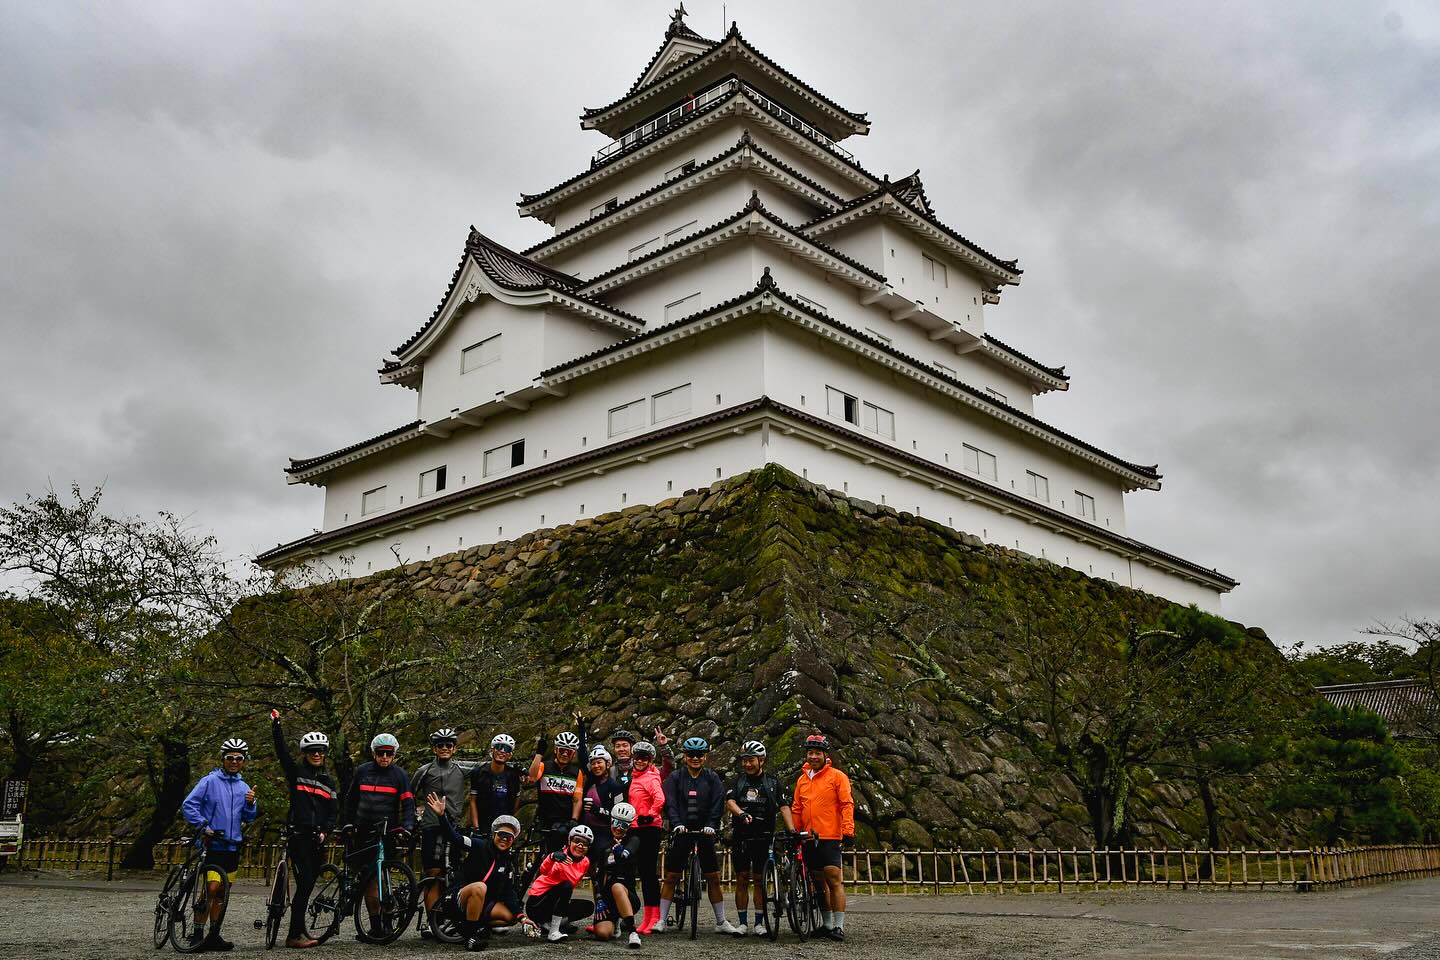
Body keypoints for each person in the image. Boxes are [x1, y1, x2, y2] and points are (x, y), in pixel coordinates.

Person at [179, 737, 258, 952]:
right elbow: (189, 805)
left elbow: (249, 817)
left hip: (232, 845)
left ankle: (214, 935)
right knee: (211, 888)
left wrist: (251, 804)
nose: (234, 762)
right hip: (211, 844)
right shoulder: (209, 781)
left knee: (223, 892)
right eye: (230, 758)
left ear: (244, 761)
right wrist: (204, 826)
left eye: (238, 758)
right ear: (223, 759)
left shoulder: (244, 787)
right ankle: (197, 934)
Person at [656, 736, 738, 935]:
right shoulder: (676, 777)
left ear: (705, 756)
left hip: (704, 832)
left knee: (713, 877)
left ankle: (721, 921)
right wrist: (676, 824)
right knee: (672, 876)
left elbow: (718, 803)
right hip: (682, 830)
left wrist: (712, 825)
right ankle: (661, 920)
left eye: (699, 754)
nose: (695, 758)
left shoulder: (712, 777)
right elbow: (670, 803)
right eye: (691, 754)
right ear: (684, 756)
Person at [270, 711, 337, 949]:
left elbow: (333, 811)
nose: (317, 754)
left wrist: (326, 831)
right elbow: (281, 752)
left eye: (320, 751)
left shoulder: (329, 782)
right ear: (305, 754)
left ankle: (296, 931)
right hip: (298, 836)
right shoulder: (296, 772)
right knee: (306, 882)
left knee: (308, 885)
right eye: (312, 751)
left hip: (317, 838)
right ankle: (294, 935)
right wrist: (276, 725)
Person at [424, 793, 522, 952]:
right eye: (501, 834)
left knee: (510, 917)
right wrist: (442, 816)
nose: (504, 839)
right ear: (494, 834)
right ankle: (470, 936)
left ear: (513, 840)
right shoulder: (479, 845)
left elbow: (508, 892)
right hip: (459, 897)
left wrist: (521, 917)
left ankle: (473, 924)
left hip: (481, 903)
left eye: (509, 837)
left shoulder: (507, 860)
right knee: (480, 887)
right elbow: (455, 838)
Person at [342, 733, 416, 938]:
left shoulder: (399, 775)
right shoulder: (362, 771)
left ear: (394, 755)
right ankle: (375, 925)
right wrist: (348, 823)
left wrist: (407, 827)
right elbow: (350, 800)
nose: (385, 757)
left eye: (389, 754)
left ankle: (386, 922)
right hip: (363, 831)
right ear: (374, 753)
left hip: (387, 831)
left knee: (383, 877)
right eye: (381, 753)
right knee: (369, 880)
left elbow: (408, 804)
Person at [725, 740, 794, 937]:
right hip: (742, 837)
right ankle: (742, 923)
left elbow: (784, 806)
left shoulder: (772, 783)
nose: (747, 764)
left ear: (761, 760)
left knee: (759, 880)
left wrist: (792, 829)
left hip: (764, 837)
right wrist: (740, 814)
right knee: (741, 879)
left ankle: (758, 923)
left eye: (751, 760)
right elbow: (730, 801)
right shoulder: (737, 781)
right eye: (744, 760)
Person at [790, 733, 854, 941]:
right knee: (817, 882)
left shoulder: (837, 776)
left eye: (818, 753)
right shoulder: (802, 779)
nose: (814, 756)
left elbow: (846, 803)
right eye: (810, 753)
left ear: (826, 755)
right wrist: (796, 831)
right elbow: (797, 808)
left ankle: (839, 925)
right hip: (808, 837)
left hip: (830, 835)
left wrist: (848, 830)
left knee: (834, 878)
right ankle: (826, 924)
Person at [412, 727, 467, 937]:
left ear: (454, 748)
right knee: (433, 874)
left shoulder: (462, 768)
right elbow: (409, 794)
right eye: (440, 745)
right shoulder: (424, 770)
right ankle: (431, 921)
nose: (444, 748)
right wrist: (415, 816)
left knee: (453, 874)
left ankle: (449, 919)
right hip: (432, 826)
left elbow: (488, 767)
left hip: (453, 826)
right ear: (434, 748)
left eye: (448, 745)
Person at [527, 716, 588, 854]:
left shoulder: (576, 772)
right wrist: (539, 754)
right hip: (546, 821)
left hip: (565, 823)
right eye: (562, 750)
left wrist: (574, 819)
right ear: (555, 750)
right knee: (546, 857)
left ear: (573, 754)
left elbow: (577, 799)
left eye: (569, 751)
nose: (565, 754)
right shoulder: (544, 766)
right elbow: (531, 778)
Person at [524, 823, 593, 942]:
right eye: (577, 841)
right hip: (537, 903)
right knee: (566, 886)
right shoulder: (560, 855)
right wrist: (551, 857)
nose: (580, 845)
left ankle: (552, 923)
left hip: (556, 898)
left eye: (585, 843)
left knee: (588, 906)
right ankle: (553, 931)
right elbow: (543, 870)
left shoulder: (585, 862)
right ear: (570, 841)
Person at [626, 741, 666, 935]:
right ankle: (647, 917)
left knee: (649, 873)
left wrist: (650, 813)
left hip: (649, 828)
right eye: (638, 757)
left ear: (650, 761)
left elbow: (660, 798)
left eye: (645, 758)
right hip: (635, 827)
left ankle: (655, 916)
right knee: (642, 872)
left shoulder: (650, 778)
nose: (640, 761)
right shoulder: (634, 776)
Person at [591, 801, 643, 948]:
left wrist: (623, 852)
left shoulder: (633, 840)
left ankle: (633, 933)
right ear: (611, 821)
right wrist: (599, 900)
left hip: (627, 894)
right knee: (603, 934)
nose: (619, 828)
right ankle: (615, 920)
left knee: (617, 886)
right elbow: (598, 877)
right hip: (608, 898)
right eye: (616, 823)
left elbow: (629, 851)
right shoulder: (604, 845)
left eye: (624, 825)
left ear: (629, 826)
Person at [469, 733, 521, 834]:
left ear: (510, 755)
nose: (502, 751)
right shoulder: (478, 773)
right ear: (492, 750)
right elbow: (473, 801)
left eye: (507, 749)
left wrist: (510, 823)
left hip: (504, 825)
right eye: (499, 747)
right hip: (483, 824)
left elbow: (516, 800)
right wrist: (476, 827)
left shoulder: (513, 775)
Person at [579, 746, 625, 841]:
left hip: (604, 833)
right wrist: (582, 731)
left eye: (599, 762)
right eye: (593, 763)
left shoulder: (614, 786)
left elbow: (618, 816)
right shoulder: (590, 782)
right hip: (586, 831)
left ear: (608, 764)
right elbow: (582, 758)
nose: (596, 766)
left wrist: (597, 810)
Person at [611, 727, 673, 792]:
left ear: (632, 747)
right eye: (617, 746)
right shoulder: (611, 771)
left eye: (625, 745)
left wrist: (664, 747)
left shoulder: (643, 766)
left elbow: (668, 769)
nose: (621, 749)